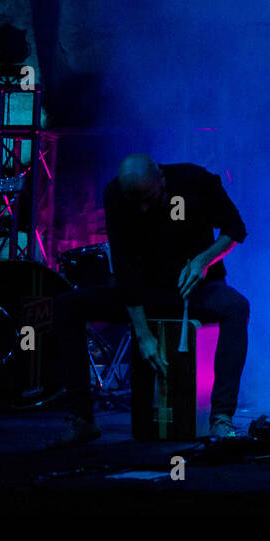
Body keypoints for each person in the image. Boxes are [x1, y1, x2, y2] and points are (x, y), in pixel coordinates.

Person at [49, 154, 250, 446]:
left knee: (236, 306)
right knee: (66, 305)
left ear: (162, 180)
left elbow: (235, 230)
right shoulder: (115, 194)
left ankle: (221, 418)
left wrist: (203, 261)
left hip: (192, 290)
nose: (142, 207)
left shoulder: (196, 180)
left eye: (148, 198)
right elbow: (124, 266)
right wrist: (143, 335)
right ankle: (81, 419)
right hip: (143, 292)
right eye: (135, 200)